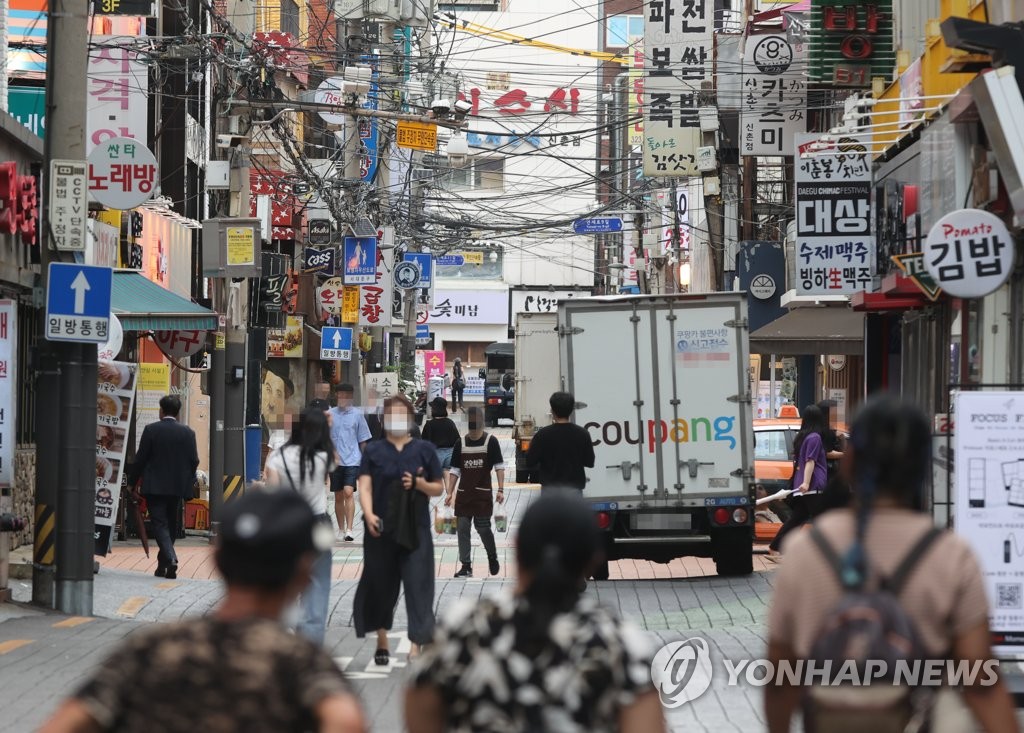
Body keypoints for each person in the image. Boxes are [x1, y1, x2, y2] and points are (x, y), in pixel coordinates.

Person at [766, 396, 1018, 733]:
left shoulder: (805, 552)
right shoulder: (951, 556)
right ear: (924, 466)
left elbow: (781, 677)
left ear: (851, 462)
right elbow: (980, 680)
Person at [38, 489, 366, 733]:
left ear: (217, 561)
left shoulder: (151, 649)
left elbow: (66, 723)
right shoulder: (300, 664)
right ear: (303, 574)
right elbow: (346, 720)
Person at [405, 494, 665, 733]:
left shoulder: (464, 628)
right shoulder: (621, 644)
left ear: (517, 549)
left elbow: (419, 711)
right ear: (593, 560)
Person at [353, 395, 444, 665]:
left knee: (419, 585)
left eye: (401, 414)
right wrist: (368, 514)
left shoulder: (425, 449)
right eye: (390, 414)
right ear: (383, 419)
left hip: (415, 528)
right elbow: (365, 485)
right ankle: (382, 640)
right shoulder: (373, 451)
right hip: (380, 528)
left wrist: (419, 484)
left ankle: (416, 643)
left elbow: (438, 486)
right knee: (381, 585)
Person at [264, 407, 336, 645]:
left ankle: (279, 632)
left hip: (287, 523)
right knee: (318, 582)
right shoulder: (323, 457)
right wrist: (328, 430)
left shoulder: (278, 456)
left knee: (285, 579)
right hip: (318, 523)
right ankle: (311, 644)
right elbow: (335, 462)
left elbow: (272, 489)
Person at [127, 395, 199, 580]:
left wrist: (131, 483)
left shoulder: (151, 430)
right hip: (177, 488)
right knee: (171, 526)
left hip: (155, 487)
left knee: (160, 524)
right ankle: (163, 566)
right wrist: (187, 480)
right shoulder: (188, 433)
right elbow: (194, 461)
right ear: (178, 412)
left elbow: (140, 459)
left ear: (161, 410)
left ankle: (171, 558)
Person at [446, 406, 504, 578]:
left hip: (482, 494)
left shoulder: (490, 442)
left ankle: (492, 556)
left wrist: (500, 489)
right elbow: (455, 470)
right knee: (462, 528)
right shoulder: (460, 443)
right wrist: (450, 492)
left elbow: (499, 467)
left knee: (483, 528)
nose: (472, 432)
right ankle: (465, 565)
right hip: (464, 494)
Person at [767, 404, 828, 557]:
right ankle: (826, 553)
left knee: (797, 519)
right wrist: (807, 483)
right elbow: (810, 461)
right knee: (823, 519)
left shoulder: (802, 437)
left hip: (805, 485)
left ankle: (775, 547)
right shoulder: (815, 437)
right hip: (813, 486)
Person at [526, 391, 595, 493]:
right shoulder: (582, 434)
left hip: (550, 492)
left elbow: (530, 461)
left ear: (552, 410)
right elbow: (590, 462)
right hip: (574, 491)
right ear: (571, 410)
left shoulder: (542, 435)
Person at [328, 384, 371, 542]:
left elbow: (363, 439)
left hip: (353, 460)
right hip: (335, 461)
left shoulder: (358, 415)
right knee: (338, 495)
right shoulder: (329, 414)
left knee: (348, 492)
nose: (343, 398)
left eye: (346, 395)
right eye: (340, 395)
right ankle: (340, 528)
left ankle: (349, 529)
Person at [422, 397, 460, 476]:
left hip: (435, 455)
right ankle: (449, 488)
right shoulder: (450, 423)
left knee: (435, 480)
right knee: (447, 475)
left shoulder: (429, 424)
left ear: (435, 409)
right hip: (450, 454)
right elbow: (457, 440)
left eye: (432, 407)